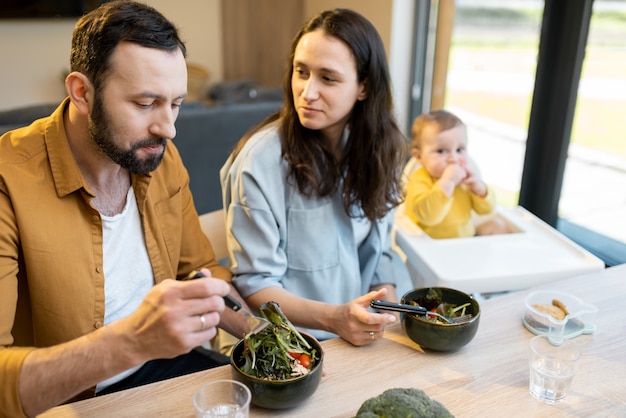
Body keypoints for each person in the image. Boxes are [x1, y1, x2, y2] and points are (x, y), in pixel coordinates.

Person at [0, 2, 249, 417]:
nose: (168, 128)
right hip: (64, 402)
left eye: (176, 104)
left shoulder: (157, 156)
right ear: (81, 92)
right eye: (146, 103)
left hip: (166, 369)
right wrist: (133, 341)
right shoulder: (8, 181)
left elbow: (200, 271)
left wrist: (266, 335)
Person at [220, 8, 412, 346]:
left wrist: (387, 303)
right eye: (301, 72)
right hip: (297, 344)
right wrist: (336, 318)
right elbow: (256, 284)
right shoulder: (259, 162)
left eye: (328, 78)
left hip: (362, 335)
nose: (307, 92)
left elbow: (379, 249)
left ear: (363, 87)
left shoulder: (380, 151)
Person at [405, 109, 510, 238]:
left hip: (465, 241)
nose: (453, 158)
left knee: (499, 225)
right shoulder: (419, 179)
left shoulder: (465, 177)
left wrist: (480, 189)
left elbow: (487, 210)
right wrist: (447, 182)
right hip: (431, 246)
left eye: (460, 149)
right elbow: (428, 216)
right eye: (441, 151)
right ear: (419, 156)